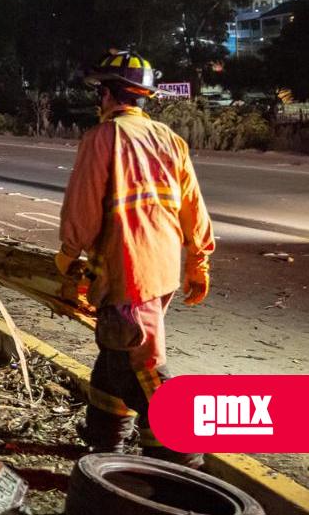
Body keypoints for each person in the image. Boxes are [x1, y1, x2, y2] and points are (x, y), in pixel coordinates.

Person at [57, 50, 214, 468]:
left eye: (99, 93)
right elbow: (193, 206)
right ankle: (105, 442)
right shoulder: (170, 139)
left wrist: (69, 262)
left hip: (128, 271)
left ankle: (187, 463)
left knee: (142, 365)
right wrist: (199, 259)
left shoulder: (102, 138)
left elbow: (82, 209)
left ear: (107, 95)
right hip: (162, 272)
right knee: (113, 356)